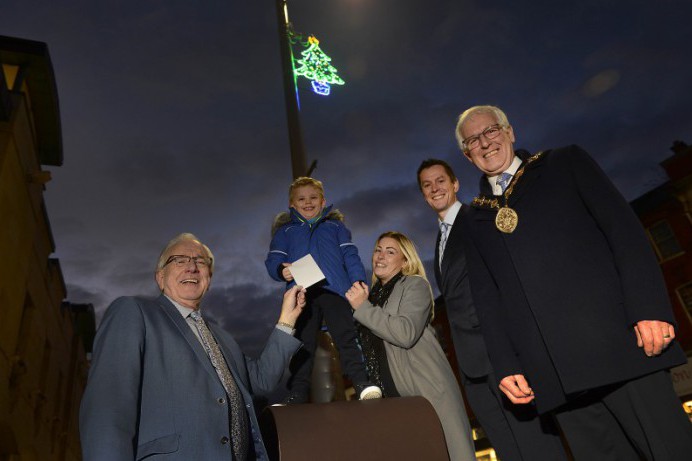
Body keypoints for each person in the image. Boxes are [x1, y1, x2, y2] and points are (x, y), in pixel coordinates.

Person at [456, 104, 692, 459]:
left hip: (621, 346)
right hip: (555, 374)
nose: (485, 142)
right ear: (466, 153)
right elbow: (488, 301)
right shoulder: (473, 219)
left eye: (491, 131)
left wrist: (649, 309)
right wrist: (507, 366)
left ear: (510, 132)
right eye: (473, 140)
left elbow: (624, 234)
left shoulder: (564, 164)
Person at [80, 233, 305, 461]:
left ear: (209, 278)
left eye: (200, 261)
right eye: (179, 260)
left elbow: (262, 379)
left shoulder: (223, 338)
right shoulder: (133, 313)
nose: (191, 267)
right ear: (160, 277)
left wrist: (287, 319)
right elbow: (107, 410)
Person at [417, 159, 568, 460]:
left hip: (501, 356)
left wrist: (513, 354)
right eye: (427, 185)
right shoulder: (439, 240)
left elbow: (504, 282)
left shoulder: (479, 217)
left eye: (440, 181)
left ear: (455, 184)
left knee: (536, 446)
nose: (435, 188)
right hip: (472, 366)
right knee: (509, 450)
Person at [345, 231, 476, 461]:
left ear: (405, 261)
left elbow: (405, 333)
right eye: (377, 250)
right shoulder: (372, 298)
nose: (380, 256)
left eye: (390, 251)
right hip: (393, 403)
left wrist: (362, 309)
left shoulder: (414, 285)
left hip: (427, 395)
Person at [265, 176, 380, 403]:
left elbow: (350, 255)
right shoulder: (285, 232)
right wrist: (281, 270)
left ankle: (362, 383)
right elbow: (273, 260)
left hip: (335, 290)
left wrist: (357, 280)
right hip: (302, 294)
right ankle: (297, 393)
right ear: (292, 204)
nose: (308, 202)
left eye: (313, 198)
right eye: (301, 199)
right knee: (302, 343)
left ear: (323, 200)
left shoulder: (336, 227)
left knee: (346, 336)